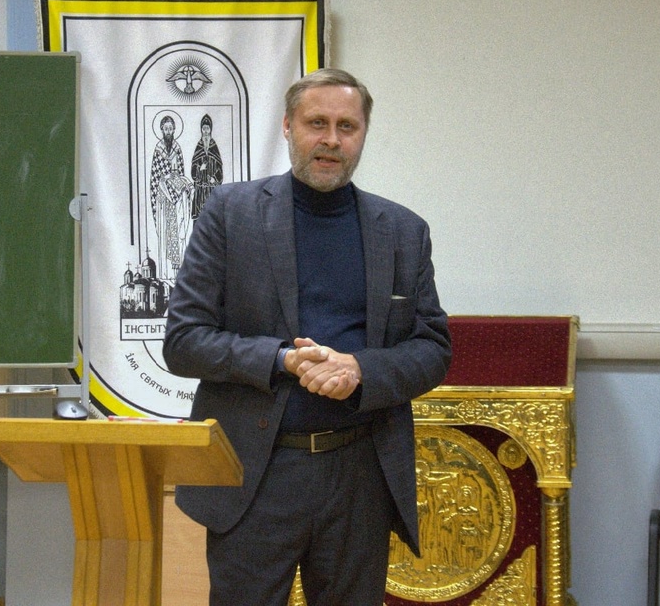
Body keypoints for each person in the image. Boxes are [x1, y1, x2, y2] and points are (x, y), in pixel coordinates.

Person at [163, 68, 450, 606]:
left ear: (363, 134)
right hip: (256, 473)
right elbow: (183, 340)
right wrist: (280, 360)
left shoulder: (403, 231)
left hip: (360, 475)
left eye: (347, 126)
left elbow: (432, 347)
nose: (331, 139)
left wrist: (361, 370)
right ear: (288, 127)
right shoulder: (229, 213)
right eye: (317, 123)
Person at [149, 113, 192, 277]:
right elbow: (156, 177)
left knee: (178, 233)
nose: (168, 131)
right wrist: (166, 180)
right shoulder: (158, 149)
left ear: (174, 130)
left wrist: (183, 184)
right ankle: (166, 272)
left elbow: (180, 172)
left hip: (176, 199)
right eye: (165, 129)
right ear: (162, 130)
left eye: (170, 128)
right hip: (163, 199)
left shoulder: (177, 148)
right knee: (166, 234)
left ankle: (179, 271)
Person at [190, 113, 223, 219]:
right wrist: (200, 169)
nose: (205, 131)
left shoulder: (214, 146)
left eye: (207, 128)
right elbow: (193, 170)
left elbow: (219, 167)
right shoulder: (199, 147)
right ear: (201, 130)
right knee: (200, 216)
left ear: (210, 130)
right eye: (203, 128)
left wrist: (215, 178)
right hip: (200, 189)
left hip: (212, 188)